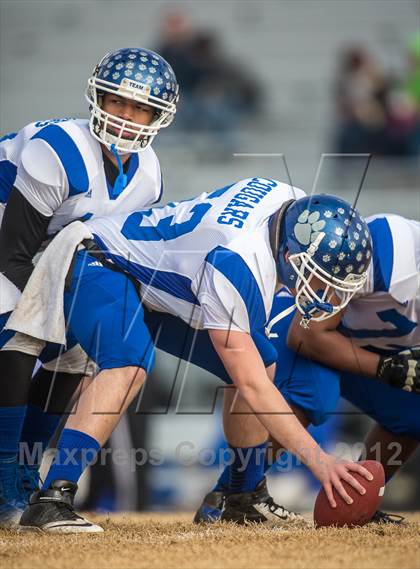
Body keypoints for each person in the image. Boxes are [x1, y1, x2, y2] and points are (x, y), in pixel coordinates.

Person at [10, 180, 374, 532]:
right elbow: (252, 386)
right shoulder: (238, 261)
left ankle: (242, 496)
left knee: (263, 361)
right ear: (292, 256)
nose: (325, 293)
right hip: (99, 257)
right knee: (129, 363)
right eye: (320, 279)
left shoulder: (290, 205)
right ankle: (53, 498)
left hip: (156, 280)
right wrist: (319, 460)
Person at [0, 47, 179, 527]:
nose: (126, 116)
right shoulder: (58, 149)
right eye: (118, 101)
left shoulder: (149, 174)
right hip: (9, 245)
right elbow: (11, 253)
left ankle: (23, 471)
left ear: (159, 116)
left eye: (141, 107)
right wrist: (40, 318)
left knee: (75, 356)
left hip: (48, 255)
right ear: (97, 97)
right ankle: (3, 478)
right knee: (18, 332)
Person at [195, 213, 419, 525]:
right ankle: (234, 494)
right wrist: (387, 368)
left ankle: (354, 498)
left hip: (360, 346)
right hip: (301, 326)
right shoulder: (387, 248)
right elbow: (307, 335)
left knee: (414, 410)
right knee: (314, 391)